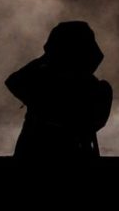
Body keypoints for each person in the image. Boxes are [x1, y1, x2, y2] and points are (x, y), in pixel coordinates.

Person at [6, 20, 112, 159]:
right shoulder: (96, 87)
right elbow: (13, 82)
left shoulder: (42, 82)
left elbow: (14, 81)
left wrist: (45, 58)